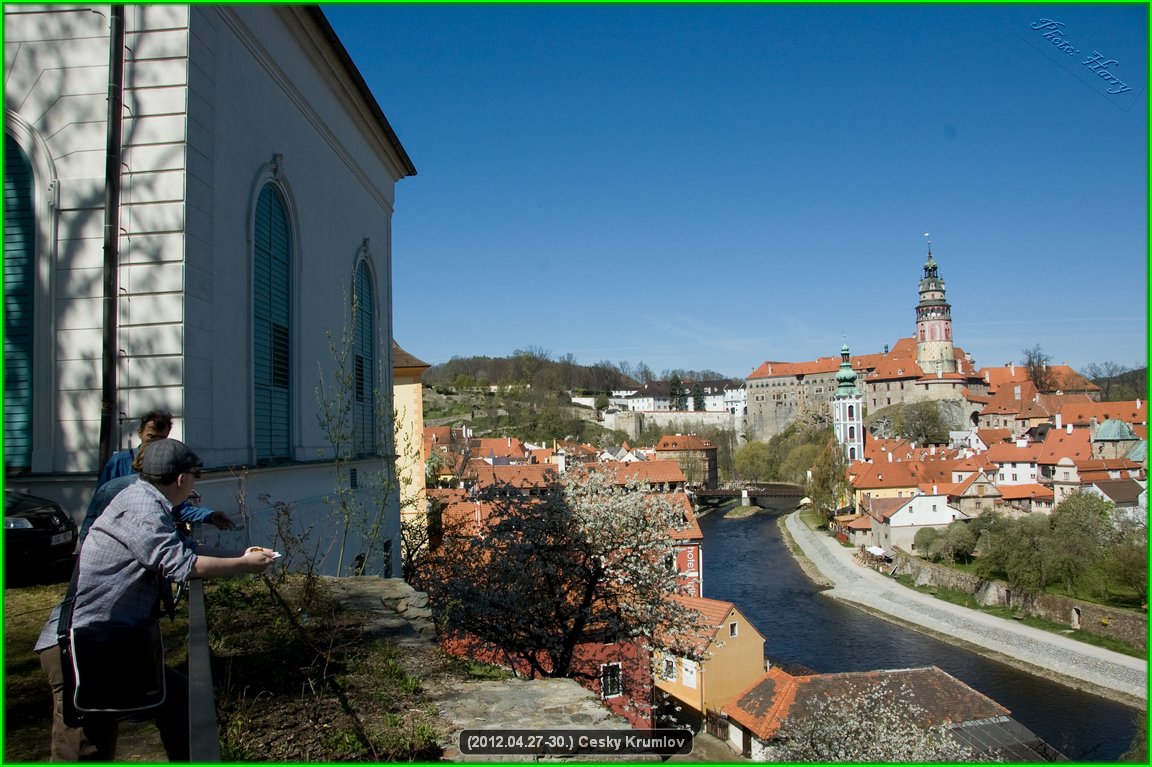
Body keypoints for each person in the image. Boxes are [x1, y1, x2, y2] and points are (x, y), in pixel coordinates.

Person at [35, 439, 276, 761]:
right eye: (194, 476)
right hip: (83, 648)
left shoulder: (146, 500)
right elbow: (180, 565)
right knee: (84, 750)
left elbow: (185, 550)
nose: (193, 484)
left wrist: (240, 554)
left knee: (180, 700)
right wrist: (245, 566)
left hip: (108, 644)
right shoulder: (142, 508)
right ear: (181, 479)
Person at [79, 441, 234, 548]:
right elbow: (181, 562)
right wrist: (244, 562)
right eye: (196, 476)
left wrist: (208, 516)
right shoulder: (149, 510)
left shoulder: (151, 497)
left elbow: (184, 542)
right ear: (182, 479)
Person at [96, 409, 173, 487]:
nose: (156, 442)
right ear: (140, 433)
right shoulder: (118, 463)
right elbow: (101, 496)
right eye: (151, 437)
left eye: (161, 438)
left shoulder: (172, 464)